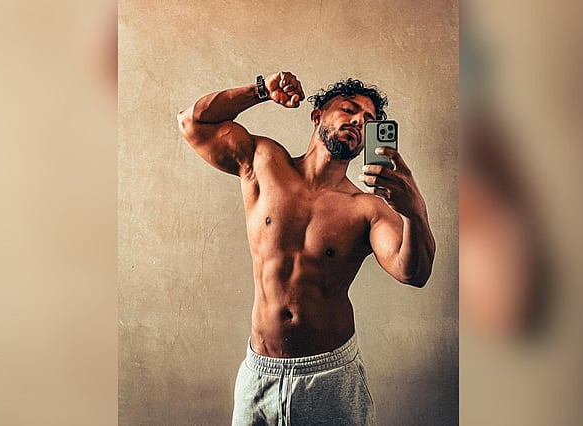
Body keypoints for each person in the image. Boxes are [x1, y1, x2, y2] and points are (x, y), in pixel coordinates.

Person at [177, 71, 435, 425]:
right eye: (349, 109)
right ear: (317, 116)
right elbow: (192, 122)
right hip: (260, 376)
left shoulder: (368, 209)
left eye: (369, 120)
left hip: (330, 378)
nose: (359, 121)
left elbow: (413, 272)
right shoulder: (264, 163)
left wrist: (415, 211)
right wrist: (260, 90)